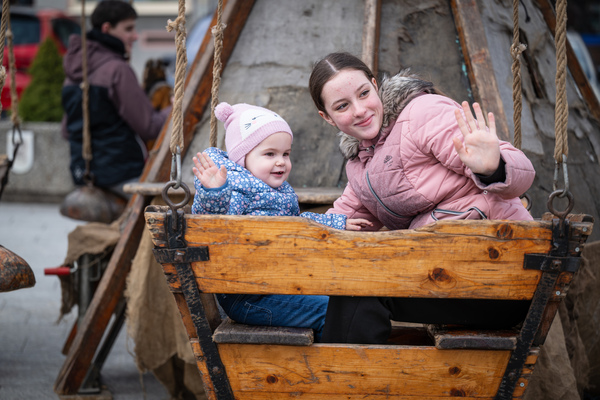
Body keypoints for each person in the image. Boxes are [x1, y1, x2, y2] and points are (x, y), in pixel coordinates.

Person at [308, 52, 536, 344]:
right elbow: (335, 226)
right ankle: (349, 369)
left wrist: (493, 168)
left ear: (375, 86)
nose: (360, 110)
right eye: (342, 106)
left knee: (361, 289)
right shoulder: (361, 165)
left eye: (364, 93)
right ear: (327, 118)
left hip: (498, 270)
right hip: (443, 273)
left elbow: (522, 173)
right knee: (350, 286)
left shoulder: (423, 114)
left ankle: (343, 372)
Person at [192, 102, 372, 341]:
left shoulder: (279, 191)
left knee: (347, 300)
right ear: (242, 158)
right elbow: (212, 224)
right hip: (249, 296)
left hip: (277, 285)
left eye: (285, 154)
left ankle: (334, 349)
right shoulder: (234, 191)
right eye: (270, 154)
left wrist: (335, 224)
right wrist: (215, 192)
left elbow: (295, 223)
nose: (281, 161)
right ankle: (332, 357)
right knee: (335, 312)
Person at [61, 0, 171, 199]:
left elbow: (66, 130)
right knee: (172, 205)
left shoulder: (74, 72)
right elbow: (149, 127)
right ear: (107, 28)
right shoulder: (117, 70)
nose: (135, 36)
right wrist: (174, 108)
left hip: (82, 173)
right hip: (122, 174)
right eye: (128, 29)